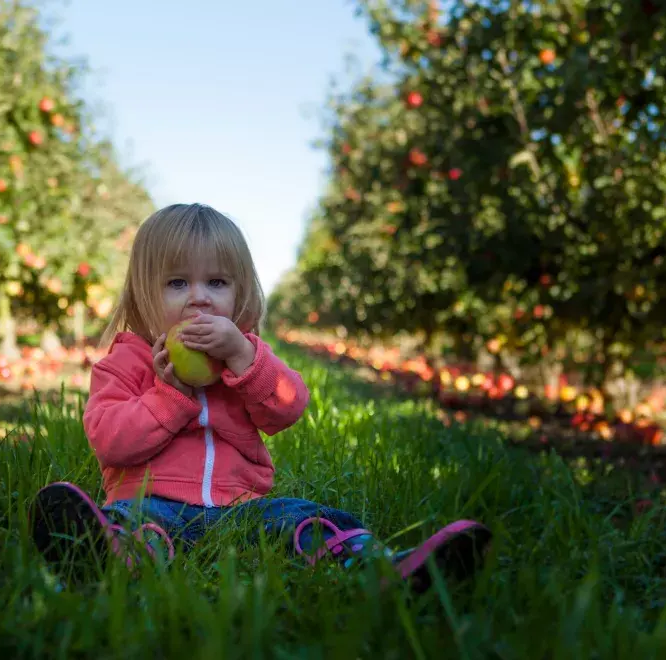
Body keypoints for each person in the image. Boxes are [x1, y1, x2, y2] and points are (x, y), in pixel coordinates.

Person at [30, 203, 491, 592]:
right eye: (176, 283)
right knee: (132, 523)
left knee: (308, 519)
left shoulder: (246, 357)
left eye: (217, 283)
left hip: (241, 508)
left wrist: (244, 358)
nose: (199, 299)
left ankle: (385, 568)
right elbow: (111, 442)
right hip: (150, 500)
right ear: (142, 292)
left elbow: (288, 407)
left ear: (240, 291)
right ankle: (108, 555)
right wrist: (170, 396)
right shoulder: (123, 364)